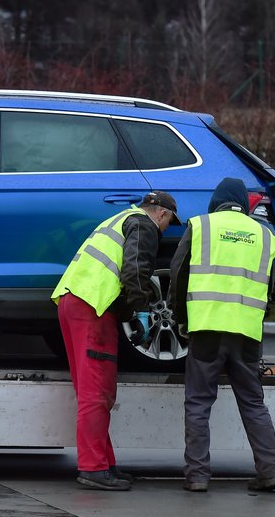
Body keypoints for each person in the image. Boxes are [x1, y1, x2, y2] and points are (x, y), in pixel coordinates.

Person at [52, 191, 182, 490]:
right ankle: (93, 468)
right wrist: (141, 313)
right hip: (92, 308)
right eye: (169, 223)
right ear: (161, 213)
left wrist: (129, 314)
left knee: (95, 392)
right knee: (97, 393)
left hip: (76, 302)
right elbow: (135, 270)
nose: (166, 229)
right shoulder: (144, 225)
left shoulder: (119, 218)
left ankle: (105, 464)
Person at [169, 177, 275, 493]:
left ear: (216, 202)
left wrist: (181, 320)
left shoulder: (202, 226)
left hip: (207, 327)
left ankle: (197, 476)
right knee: (252, 402)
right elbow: (269, 286)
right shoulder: (266, 235)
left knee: (198, 402)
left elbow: (179, 276)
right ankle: (271, 470)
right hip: (247, 332)